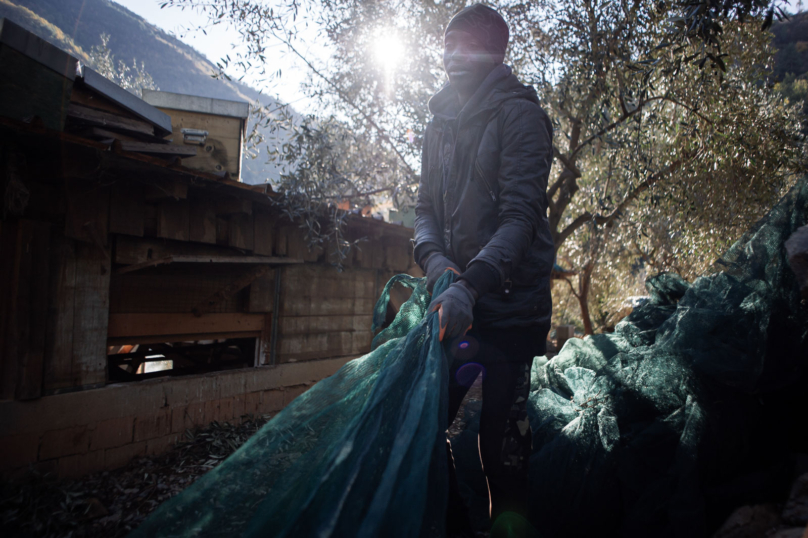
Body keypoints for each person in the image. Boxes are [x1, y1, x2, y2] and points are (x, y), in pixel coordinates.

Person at [413, 3, 554, 535]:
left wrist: (472, 285)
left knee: (500, 451)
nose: (453, 56)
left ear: (497, 54)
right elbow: (424, 211)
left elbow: (520, 219)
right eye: (448, 45)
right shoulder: (438, 124)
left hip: (510, 309)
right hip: (456, 304)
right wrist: (436, 261)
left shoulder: (520, 117)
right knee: (423, 429)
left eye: (468, 46)